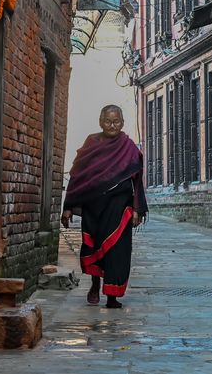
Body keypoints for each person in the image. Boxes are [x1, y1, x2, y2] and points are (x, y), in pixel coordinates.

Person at [62, 105, 147, 308]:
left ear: (122, 123)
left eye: (116, 121)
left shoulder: (128, 147)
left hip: (120, 207)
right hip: (94, 206)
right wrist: (68, 206)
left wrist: (137, 209)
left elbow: (136, 180)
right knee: (93, 246)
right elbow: (78, 174)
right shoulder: (92, 143)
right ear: (101, 122)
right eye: (108, 121)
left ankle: (112, 295)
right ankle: (94, 284)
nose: (112, 125)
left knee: (118, 251)